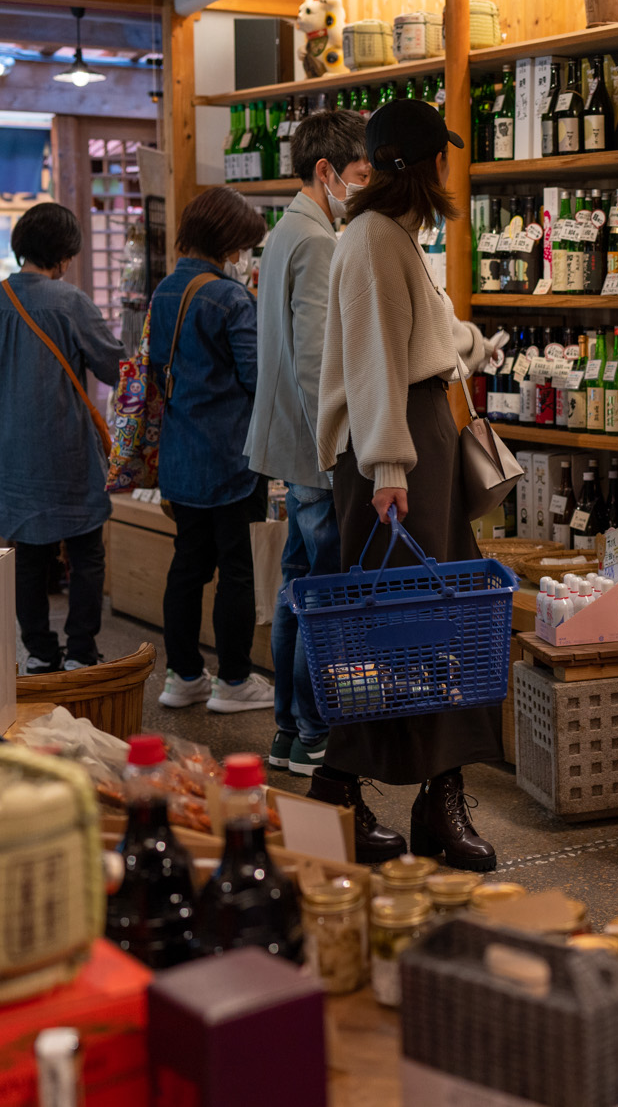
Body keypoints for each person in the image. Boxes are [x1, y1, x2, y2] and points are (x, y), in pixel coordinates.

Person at [315, 98, 504, 871]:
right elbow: (372, 364)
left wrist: (471, 344)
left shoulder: (388, 238)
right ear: (425, 166)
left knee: (435, 625)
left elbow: (418, 333)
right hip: (389, 459)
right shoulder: (369, 241)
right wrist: (390, 467)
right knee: (399, 630)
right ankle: (339, 791)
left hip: (411, 445)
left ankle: (434, 796)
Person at [246, 109, 364, 784]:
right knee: (320, 589)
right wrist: (338, 447)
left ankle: (288, 732)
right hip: (315, 446)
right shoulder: (319, 242)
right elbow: (318, 360)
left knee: (298, 586)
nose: (362, 188)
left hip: (285, 440)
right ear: (325, 173)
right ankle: (314, 728)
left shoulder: (285, 230)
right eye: (357, 176)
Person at [0, 203, 124, 673]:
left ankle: (39, 652)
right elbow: (114, 366)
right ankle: (81, 650)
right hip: (65, 450)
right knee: (85, 553)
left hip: (7, 453)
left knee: (28, 558)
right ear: (63, 255)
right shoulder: (68, 301)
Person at [151, 188, 274, 714]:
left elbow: (159, 370)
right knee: (237, 571)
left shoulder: (164, 291)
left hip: (182, 456)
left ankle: (182, 677)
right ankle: (234, 681)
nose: (244, 256)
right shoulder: (230, 299)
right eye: (243, 246)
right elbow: (257, 378)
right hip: (231, 459)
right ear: (227, 242)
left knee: (187, 567)